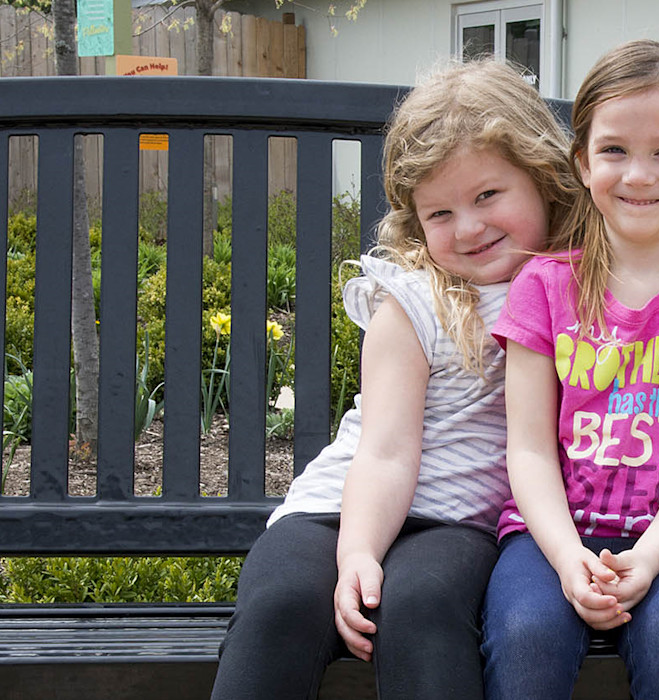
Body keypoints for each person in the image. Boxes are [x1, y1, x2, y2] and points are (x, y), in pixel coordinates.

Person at [209, 58, 580, 700]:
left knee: (424, 607)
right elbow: (384, 450)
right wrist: (356, 553)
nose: (468, 227)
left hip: (456, 523)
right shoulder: (413, 303)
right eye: (439, 213)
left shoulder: (576, 288)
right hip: (338, 510)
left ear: (545, 180)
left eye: (488, 195)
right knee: (282, 604)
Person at [480, 39, 659, 699]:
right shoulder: (545, 288)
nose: (637, 175)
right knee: (526, 634)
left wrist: (645, 559)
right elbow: (527, 450)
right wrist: (564, 557)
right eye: (614, 150)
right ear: (583, 163)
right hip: (548, 533)